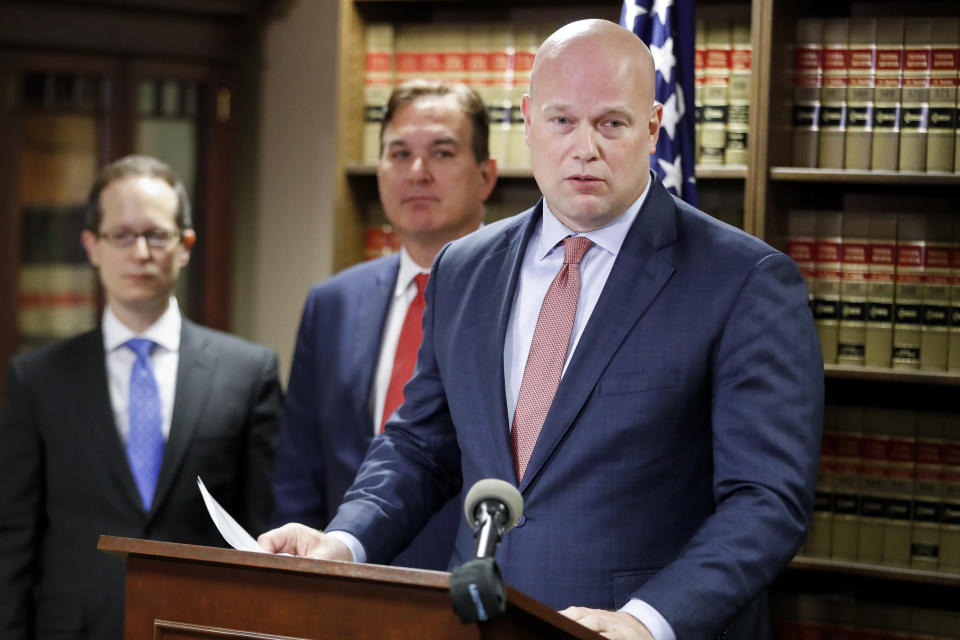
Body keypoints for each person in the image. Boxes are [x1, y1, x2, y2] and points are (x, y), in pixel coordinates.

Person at [260, 19, 823, 640]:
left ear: (654, 126)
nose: (586, 147)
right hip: (478, 623)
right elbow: (421, 446)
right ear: (527, 120)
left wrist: (646, 621)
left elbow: (766, 501)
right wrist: (345, 540)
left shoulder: (744, 280)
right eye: (562, 121)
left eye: (611, 123)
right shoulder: (465, 267)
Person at [0, 155, 282, 640]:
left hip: (201, 624)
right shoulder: (38, 378)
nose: (141, 252)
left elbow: (261, 528)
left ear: (186, 245)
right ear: (92, 246)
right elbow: (15, 537)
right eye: (121, 236)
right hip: (73, 627)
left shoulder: (248, 372)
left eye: (157, 235)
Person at [270, 80, 497, 569]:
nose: (417, 172)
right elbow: (299, 472)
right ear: (378, 173)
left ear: (486, 176)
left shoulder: (525, 298)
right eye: (399, 153)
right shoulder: (332, 303)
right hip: (346, 583)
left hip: (477, 585)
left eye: (441, 152)